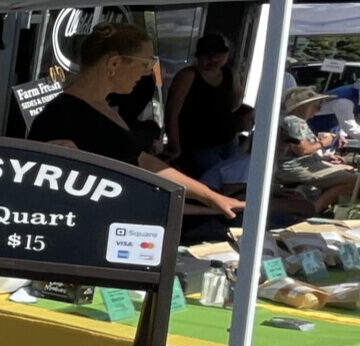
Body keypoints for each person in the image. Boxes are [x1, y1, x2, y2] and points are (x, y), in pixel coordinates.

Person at [28, 24, 243, 218]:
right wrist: (208, 203)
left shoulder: (101, 106)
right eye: (146, 63)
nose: (149, 71)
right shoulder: (61, 118)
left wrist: (210, 198)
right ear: (114, 62)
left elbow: (141, 160)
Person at [166, 33, 246, 172]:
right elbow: (171, 114)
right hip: (199, 145)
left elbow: (235, 102)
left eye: (218, 55)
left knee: (232, 179)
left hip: (228, 140)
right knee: (212, 181)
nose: (213, 59)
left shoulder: (231, 74)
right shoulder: (187, 76)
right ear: (198, 57)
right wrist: (175, 147)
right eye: (207, 56)